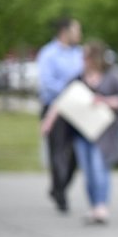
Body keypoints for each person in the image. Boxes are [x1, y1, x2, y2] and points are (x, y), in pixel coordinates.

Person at [41, 39, 118, 224]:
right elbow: (62, 100)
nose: (83, 59)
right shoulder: (79, 76)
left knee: (100, 168)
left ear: (95, 57)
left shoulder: (113, 75)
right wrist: (48, 122)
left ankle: (101, 206)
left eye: (86, 56)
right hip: (82, 132)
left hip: (104, 132)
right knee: (88, 171)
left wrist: (104, 101)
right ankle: (94, 207)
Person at [36, 17, 84, 212]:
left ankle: (59, 187)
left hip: (77, 108)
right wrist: (69, 92)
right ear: (65, 32)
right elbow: (47, 83)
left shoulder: (79, 53)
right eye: (77, 30)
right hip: (55, 108)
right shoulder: (48, 54)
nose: (80, 34)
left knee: (76, 153)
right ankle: (60, 194)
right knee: (57, 151)